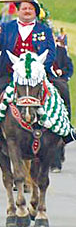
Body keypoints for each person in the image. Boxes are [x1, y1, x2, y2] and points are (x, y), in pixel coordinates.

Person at [0, 0, 75, 150]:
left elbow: (51, 52)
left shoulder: (44, 30)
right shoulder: (6, 27)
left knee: (62, 87)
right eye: (24, 8)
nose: (27, 11)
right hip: (12, 73)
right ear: (18, 11)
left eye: (30, 8)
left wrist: (39, 68)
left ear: (35, 12)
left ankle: (67, 127)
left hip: (38, 74)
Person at [50, 40, 73, 172]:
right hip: (39, 76)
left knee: (63, 89)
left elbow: (69, 68)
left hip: (56, 79)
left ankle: (67, 125)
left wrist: (62, 73)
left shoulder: (61, 50)